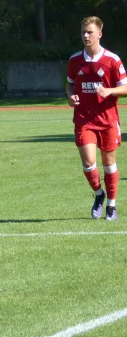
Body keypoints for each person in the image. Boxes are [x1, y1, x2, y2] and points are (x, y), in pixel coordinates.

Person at [67, 16, 127, 221]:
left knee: (109, 164)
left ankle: (111, 204)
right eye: (83, 31)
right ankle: (98, 193)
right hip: (84, 119)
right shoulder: (75, 60)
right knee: (88, 162)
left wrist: (109, 90)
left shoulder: (112, 59)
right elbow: (70, 84)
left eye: (89, 32)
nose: (85, 35)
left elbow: (125, 87)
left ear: (99, 34)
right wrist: (70, 96)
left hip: (108, 120)